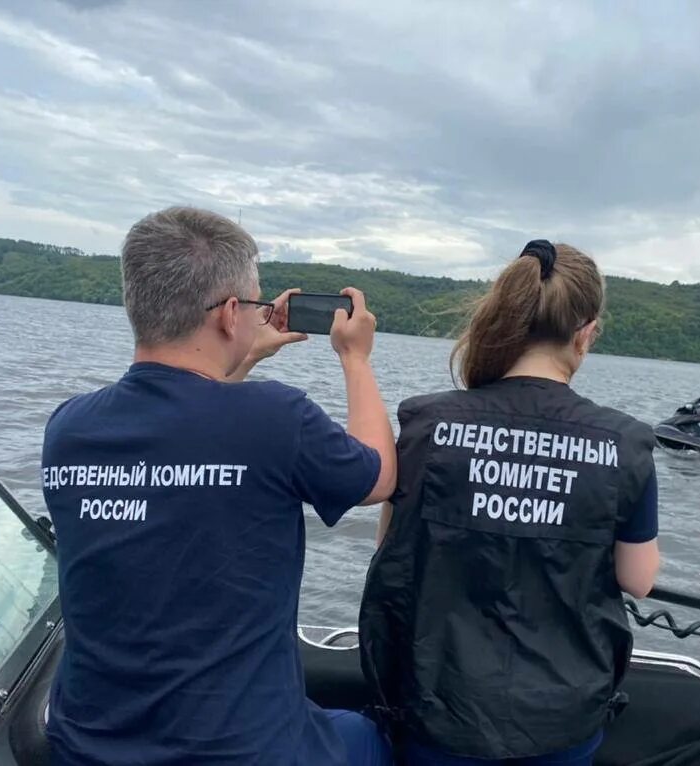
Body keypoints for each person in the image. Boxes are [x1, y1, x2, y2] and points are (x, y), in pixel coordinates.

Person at [40, 207, 396, 766]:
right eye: (253, 303)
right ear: (232, 313)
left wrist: (243, 351)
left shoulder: (68, 429)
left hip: (86, 749)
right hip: (244, 752)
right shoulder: (276, 417)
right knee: (375, 739)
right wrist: (355, 358)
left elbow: (191, 427)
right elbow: (377, 475)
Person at [359, 240, 660, 766]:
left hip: (436, 709)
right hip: (562, 718)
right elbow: (638, 578)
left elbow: (390, 546)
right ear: (586, 333)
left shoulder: (425, 425)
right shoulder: (624, 443)